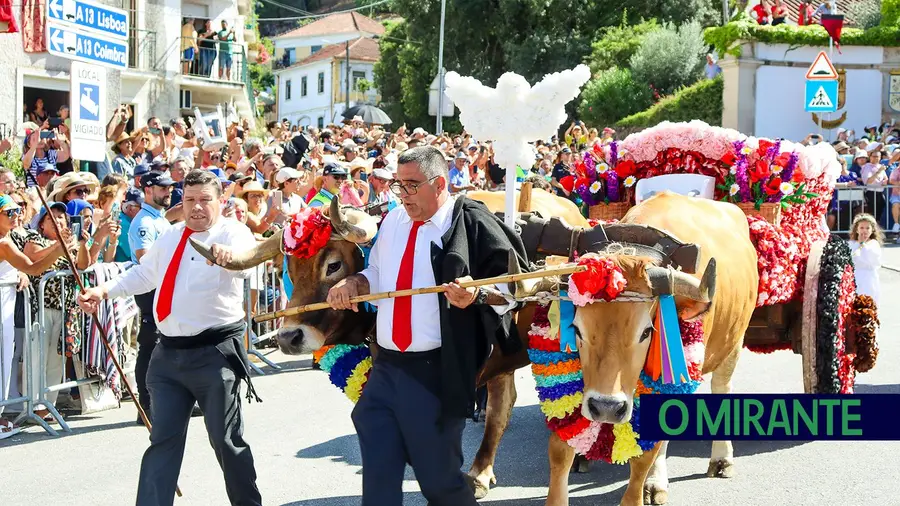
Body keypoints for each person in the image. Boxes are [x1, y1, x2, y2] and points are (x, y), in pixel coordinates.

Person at [326, 146, 526, 505]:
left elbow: (511, 290)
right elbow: (378, 274)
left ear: (440, 183)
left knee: (440, 484)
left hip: (435, 371)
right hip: (386, 367)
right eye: (398, 186)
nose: (402, 195)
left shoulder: (469, 222)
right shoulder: (392, 222)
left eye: (412, 186)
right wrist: (355, 283)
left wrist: (476, 296)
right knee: (378, 479)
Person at [78, 170, 262, 506]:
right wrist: (104, 290)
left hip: (216, 354)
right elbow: (145, 275)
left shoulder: (234, 232)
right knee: (162, 441)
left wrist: (231, 259)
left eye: (204, 200)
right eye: (189, 200)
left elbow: (248, 262)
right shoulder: (172, 235)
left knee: (225, 441)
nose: (196, 207)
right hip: (168, 358)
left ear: (219, 200)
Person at [128, 171, 176, 424]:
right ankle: (145, 405)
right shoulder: (145, 222)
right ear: (148, 190)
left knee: (166, 344)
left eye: (169, 187)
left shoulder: (159, 219)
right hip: (151, 288)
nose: (168, 191)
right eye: (162, 188)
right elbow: (145, 258)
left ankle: (167, 401)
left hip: (163, 286)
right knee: (150, 344)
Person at [848, 213, 883, 308]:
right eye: (862, 228)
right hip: (855, 276)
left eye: (867, 228)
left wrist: (863, 244)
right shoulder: (851, 244)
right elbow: (852, 257)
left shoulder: (873, 244)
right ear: (857, 229)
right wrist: (859, 243)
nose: (865, 231)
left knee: (867, 304)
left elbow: (871, 259)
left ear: (872, 230)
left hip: (869, 278)